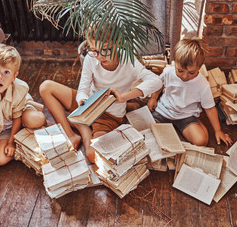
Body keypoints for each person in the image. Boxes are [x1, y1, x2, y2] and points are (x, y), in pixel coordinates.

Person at [39, 27, 162, 163]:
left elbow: (156, 81)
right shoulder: (91, 59)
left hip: (108, 116)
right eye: (94, 51)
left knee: (93, 156)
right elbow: (83, 89)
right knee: (46, 87)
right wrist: (82, 100)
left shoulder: (128, 61)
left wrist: (124, 97)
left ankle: (84, 130)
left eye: (104, 49)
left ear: (117, 43)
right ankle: (71, 135)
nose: (100, 56)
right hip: (89, 105)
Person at [147, 39, 233, 146]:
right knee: (147, 133)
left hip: (186, 116)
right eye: (180, 71)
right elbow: (159, 84)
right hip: (163, 111)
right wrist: (153, 98)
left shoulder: (203, 84)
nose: (185, 76)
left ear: (199, 67)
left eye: (191, 72)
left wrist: (218, 131)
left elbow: (210, 108)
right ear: (175, 63)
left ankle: (198, 122)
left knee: (201, 141)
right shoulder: (168, 71)